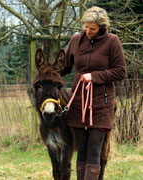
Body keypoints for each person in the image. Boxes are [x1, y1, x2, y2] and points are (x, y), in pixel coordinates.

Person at [60, 6, 127, 180]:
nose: (88, 31)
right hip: (78, 103)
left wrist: (94, 76)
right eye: (85, 27)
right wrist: (47, 74)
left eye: (92, 28)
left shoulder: (112, 41)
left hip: (101, 104)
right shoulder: (75, 40)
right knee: (81, 150)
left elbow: (120, 71)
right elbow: (65, 67)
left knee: (94, 150)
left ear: (102, 28)